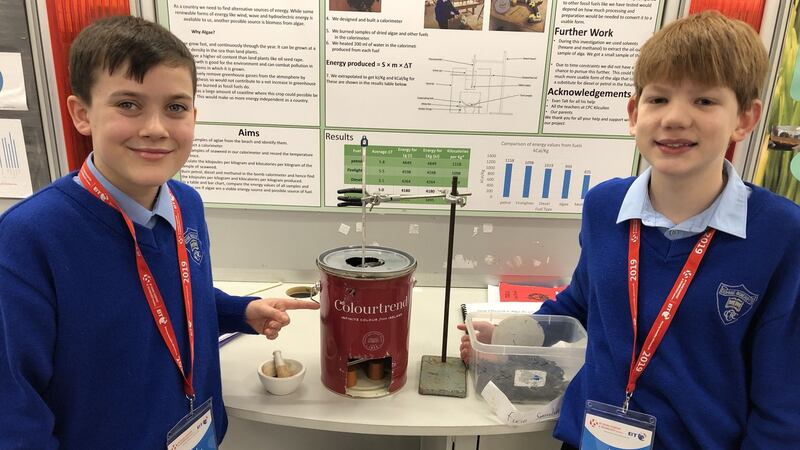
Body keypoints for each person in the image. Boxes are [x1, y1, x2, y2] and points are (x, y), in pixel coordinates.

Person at [460, 11, 800, 449]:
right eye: (658, 99)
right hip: (591, 438)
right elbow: (582, 302)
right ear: (634, 112)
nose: (675, 118)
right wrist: (510, 340)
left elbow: (784, 405)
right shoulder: (605, 206)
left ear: (745, 118)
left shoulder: (780, 234)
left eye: (704, 101)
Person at [0, 15, 319, 449]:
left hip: (199, 432)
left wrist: (239, 311)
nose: (155, 128)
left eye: (175, 107)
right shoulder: (29, 238)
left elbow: (175, 296)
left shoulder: (185, 203)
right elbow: (15, 405)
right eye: (128, 104)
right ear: (82, 114)